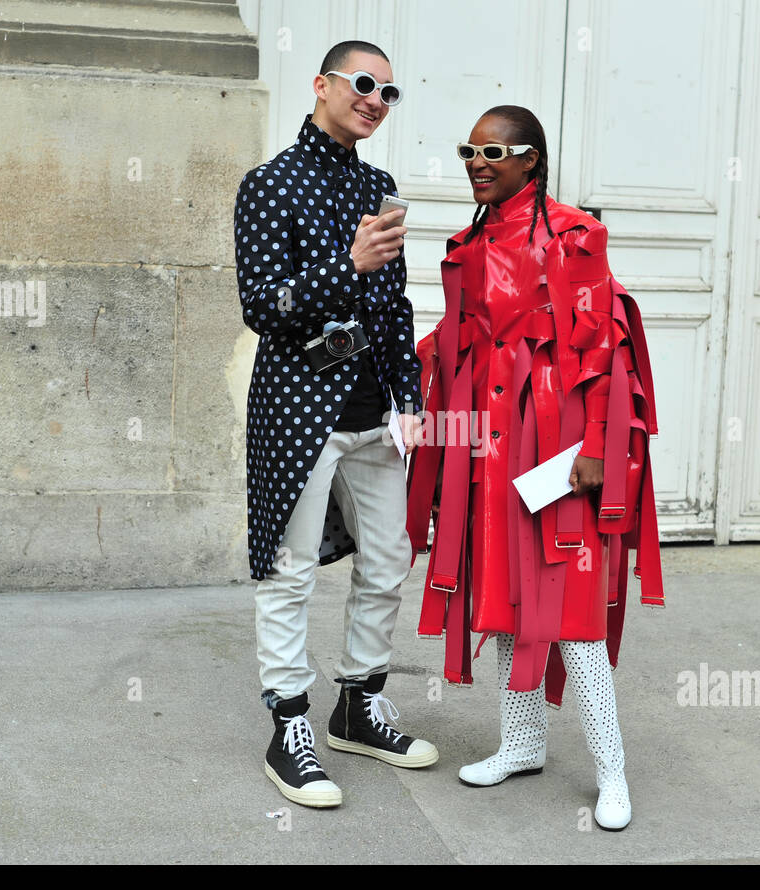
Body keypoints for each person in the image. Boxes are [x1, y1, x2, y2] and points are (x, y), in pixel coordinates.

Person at [405, 106, 664, 831]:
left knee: (574, 615)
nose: (477, 162)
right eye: (468, 150)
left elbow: (607, 349)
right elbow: (455, 343)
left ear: (532, 160)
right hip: (489, 446)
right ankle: (520, 742)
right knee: (507, 599)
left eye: (494, 150)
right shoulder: (469, 242)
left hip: (558, 446)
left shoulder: (575, 237)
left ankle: (612, 770)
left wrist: (596, 452)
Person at [234, 40, 437, 810]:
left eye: (390, 92)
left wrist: (409, 397)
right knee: (289, 575)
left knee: (388, 557)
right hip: (298, 413)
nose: (376, 100)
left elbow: (395, 308)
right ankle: (289, 727)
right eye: (363, 84)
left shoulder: (379, 185)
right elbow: (262, 306)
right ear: (321, 86)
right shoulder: (269, 186)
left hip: (372, 415)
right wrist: (344, 266)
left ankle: (359, 703)